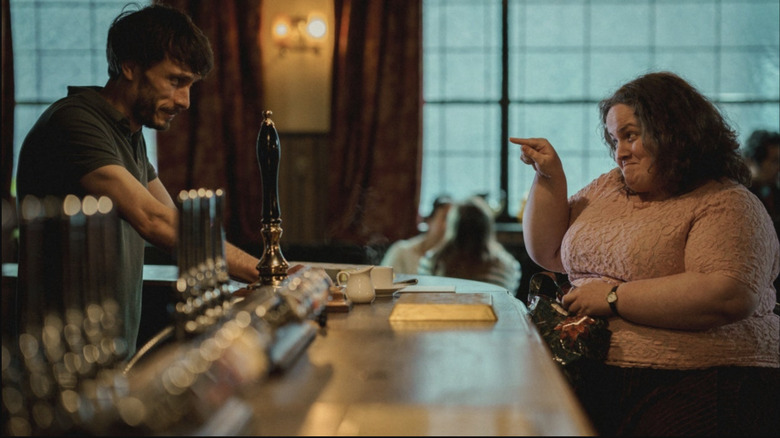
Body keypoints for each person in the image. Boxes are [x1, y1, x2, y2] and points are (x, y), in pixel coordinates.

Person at [510, 71, 779, 436]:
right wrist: (549, 177)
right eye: (613, 138)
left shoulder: (726, 202)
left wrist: (612, 297)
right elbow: (549, 250)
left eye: (630, 136)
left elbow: (726, 294)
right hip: (594, 369)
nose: (619, 151)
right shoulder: (609, 187)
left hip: (702, 378)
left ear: (673, 132)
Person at [14, 4, 263, 359]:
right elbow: (154, 220)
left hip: (108, 355)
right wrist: (262, 270)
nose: (185, 101)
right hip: (61, 361)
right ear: (129, 66)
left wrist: (250, 276)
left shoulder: (128, 133)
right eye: (175, 81)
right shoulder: (74, 123)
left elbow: (177, 220)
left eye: (190, 85)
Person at [418, 196, 521, 294]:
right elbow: (506, 303)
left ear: (452, 227)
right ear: (487, 228)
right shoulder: (508, 266)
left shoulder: (431, 262)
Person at [380, 195, 452, 274]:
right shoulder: (402, 251)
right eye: (445, 218)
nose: (449, 225)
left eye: (453, 220)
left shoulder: (452, 259)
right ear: (429, 221)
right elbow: (382, 280)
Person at [743, 129, 780, 237]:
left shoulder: (774, 191)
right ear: (752, 161)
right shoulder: (742, 198)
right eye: (775, 161)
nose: (779, 168)